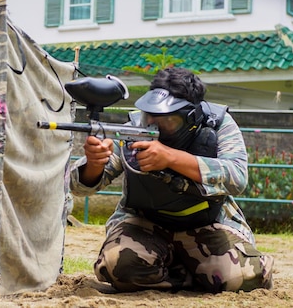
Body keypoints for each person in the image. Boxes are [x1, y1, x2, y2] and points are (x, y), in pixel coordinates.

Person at [69, 67, 274, 293]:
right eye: (150, 117)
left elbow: (237, 176)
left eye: (167, 121)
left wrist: (171, 158)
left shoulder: (218, 124)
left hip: (207, 224)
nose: (154, 126)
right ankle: (190, 276)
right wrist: (95, 163)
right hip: (144, 225)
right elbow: (79, 187)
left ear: (191, 117)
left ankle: (184, 270)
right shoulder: (135, 128)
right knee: (119, 266)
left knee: (242, 278)